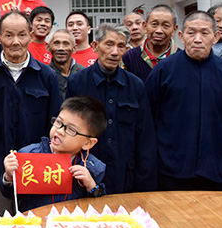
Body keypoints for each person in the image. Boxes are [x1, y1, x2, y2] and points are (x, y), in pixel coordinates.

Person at [0, 11, 61, 214]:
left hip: (39, 173)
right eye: (9, 35)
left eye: (21, 35)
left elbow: (55, 127)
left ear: (30, 35)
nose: (15, 42)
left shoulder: (47, 76)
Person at [146, 11, 222, 191]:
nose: (197, 39)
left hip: (220, 169)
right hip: (172, 169)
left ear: (215, 37)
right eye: (191, 33)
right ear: (181, 36)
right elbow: (148, 117)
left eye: (205, 33)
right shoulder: (164, 70)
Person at [66, 24, 157, 194]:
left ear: (127, 49)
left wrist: (145, 183)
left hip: (125, 175)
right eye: (109, 44)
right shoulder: (77, 82)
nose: (114, 52)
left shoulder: (136, 86)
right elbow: (68, 131)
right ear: (95, 46)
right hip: (85, 172)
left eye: (121, 46)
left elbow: (145, 137)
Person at [0, 96, 107, 212]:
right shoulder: (29, 154)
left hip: (71, 225)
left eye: (71, 129)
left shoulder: (91, 166)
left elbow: (99, 205)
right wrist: (9, 177)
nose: (60, 131)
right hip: (36, 223)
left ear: (88, 143)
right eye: (59, 122)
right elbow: (11, 195)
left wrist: (91, 185)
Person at [122, 4, 179, 81]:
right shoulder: (128, 58)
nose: (159, 31)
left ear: (174, 30)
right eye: (154, 24)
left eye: (165, 25)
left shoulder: (182, 60)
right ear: (145, 26)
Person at [47, 29, 84, 98]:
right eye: (56, 43)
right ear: (48, 47)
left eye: (66, 44)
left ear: (74, 48)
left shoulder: (84, 73)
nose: (61, 48)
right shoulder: (44, 74)